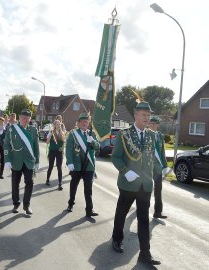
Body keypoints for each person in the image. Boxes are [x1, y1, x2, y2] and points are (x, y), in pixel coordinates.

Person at [111, 102, 161, 266]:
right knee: (121, 214)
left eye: (148, 115)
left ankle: (145, 254)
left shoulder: (151, 135)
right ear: (136, 116)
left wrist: (160, 171)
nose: (147, 118)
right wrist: (126, 171)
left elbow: (151, 158)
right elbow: (116, 157)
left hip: (145, 185)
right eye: (144, 114)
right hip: (128, 183)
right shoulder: (124, 134)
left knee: (144, 219)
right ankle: (117, 239)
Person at [4, 109, 40, 215]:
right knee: (15, 184)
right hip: (16, 161)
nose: (25, 120)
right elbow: (6, 144)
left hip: (29, 161)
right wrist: (7, 160)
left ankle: (26, 205)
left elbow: (36, 147)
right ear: (19, 118)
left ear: (30, 119)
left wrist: (37, 161)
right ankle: (16, 204)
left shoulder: (33, 130)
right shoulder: (12, 129)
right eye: (23, 118)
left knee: (30, 183)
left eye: (27, 118)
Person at [65, 113, 100, 217]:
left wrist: (93, 142)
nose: (85, 123)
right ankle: (70, 204)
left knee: (88, 189)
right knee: (73, 186)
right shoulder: (73, 134)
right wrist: (70, 162)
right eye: (82, 122)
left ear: (88, 123)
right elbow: (69, 149)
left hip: (89, 166)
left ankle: (89, 209)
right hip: (76, 165)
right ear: (79, 123)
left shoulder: (92, 134)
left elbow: (98, 147)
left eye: (86, 121)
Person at [149, 115, 170, 219]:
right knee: (145, 189)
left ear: (158, 125)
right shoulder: (146, 134)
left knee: (158, 189)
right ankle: (142, 207)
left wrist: (165, 165)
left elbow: (162, 152)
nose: (153, 125)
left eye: (155, 124)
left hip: (157, 168)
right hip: (147, 167)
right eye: (151, 123)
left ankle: (158, 212)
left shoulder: (160, 136)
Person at [45, 119, 66, 190]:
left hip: (59, 152)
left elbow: (64, 143)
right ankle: (47, 180)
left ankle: (60, 183)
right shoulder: (51, 132)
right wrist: (50, 136)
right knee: (50, 166)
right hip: (52, 151)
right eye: (56, 124)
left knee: (59, 167)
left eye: (59, 124)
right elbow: (47, 142)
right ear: (54, 125)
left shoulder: (62, 133)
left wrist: (62, 148)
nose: (58, 125)